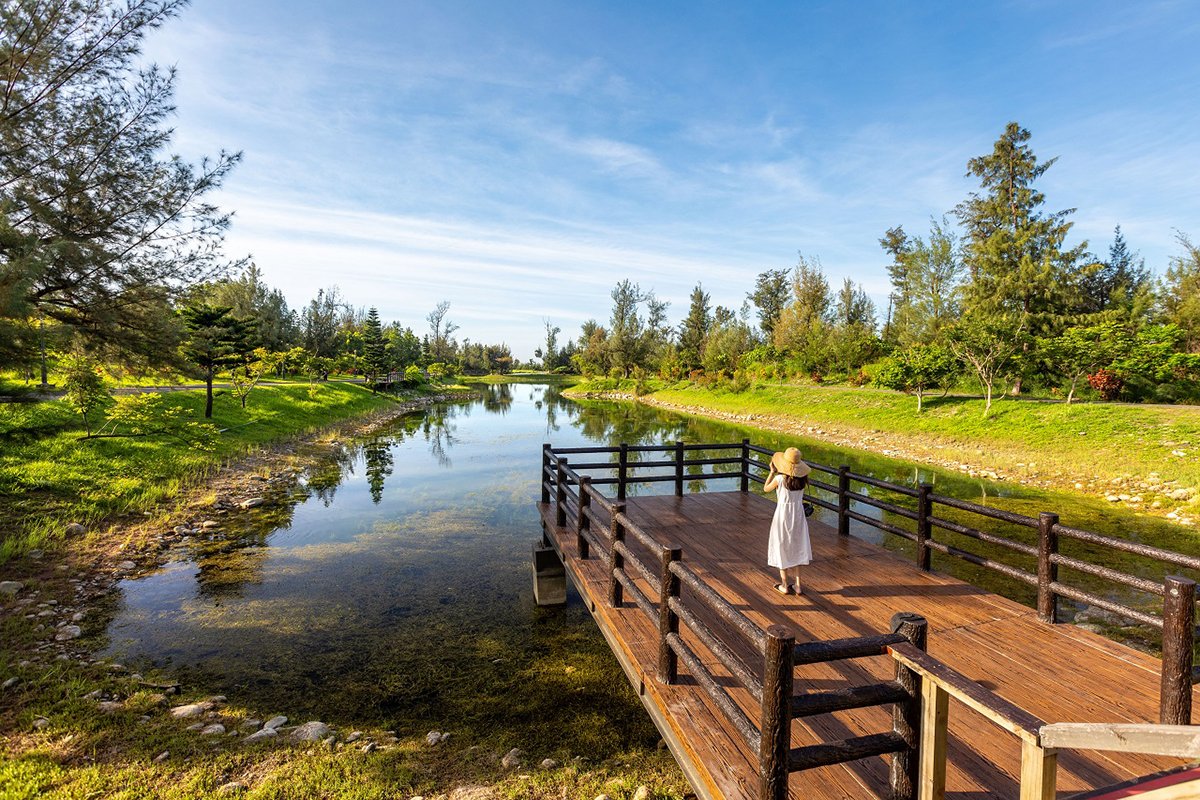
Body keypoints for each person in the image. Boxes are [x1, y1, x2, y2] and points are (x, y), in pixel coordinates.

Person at [764, 447, 812, 595]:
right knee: (796, 546)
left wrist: (772, 472)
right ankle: (798, 585)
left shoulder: (779, 479)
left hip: (783, 515)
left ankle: (784, 585)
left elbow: (765, 488)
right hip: (798, 515)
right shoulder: (803, 481)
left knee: (781, 546)